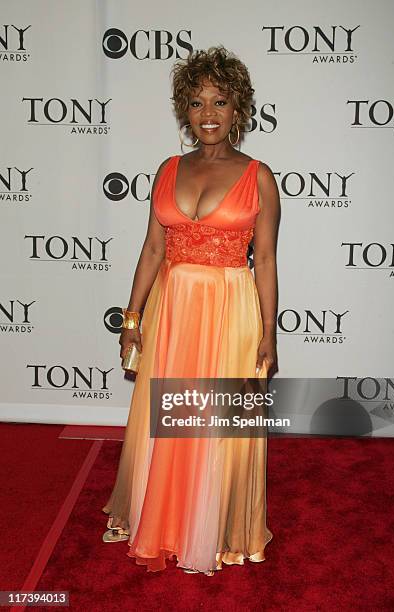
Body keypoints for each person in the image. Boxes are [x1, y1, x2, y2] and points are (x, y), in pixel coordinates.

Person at [102, 45, 281, 576]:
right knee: (168, 421)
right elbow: (153, 250)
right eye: (198, 102)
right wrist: (132, 320)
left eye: (220, 102)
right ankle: (162, 520)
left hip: (230, 310)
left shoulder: (259, 176)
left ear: (238, 110)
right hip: (173, 309)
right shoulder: (167, 169)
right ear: (185, 109)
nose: (208, 113)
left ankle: (214, 529)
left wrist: (269, 335)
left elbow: (266, 259)